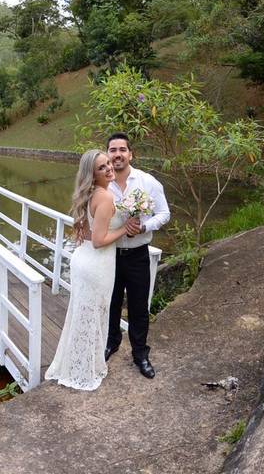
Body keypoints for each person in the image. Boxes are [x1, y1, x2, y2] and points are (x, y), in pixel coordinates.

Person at [44, 149, 130, 390]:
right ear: (92, 175)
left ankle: (80, 364)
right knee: (94, 315)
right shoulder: (104, 197)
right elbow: (100, 239)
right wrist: (126, 228)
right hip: (97, 263)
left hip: (84, 259)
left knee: (82, 314)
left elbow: (85, 233)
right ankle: (85, 370)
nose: (109, 168)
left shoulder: (90, 194)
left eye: (109, 163)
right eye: (102, 167)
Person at [104, 132, 170, 379]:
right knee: (110, 303)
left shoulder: (147, 182)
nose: (118, 154)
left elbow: (164, 214)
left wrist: (143, 226)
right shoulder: (102, 183)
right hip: (109, 255)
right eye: (113, 150)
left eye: (122, 149)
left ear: (131, 154)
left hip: (137, 255)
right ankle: (112, 342)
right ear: (107, 154)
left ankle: (140, 353)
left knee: (139, 306)